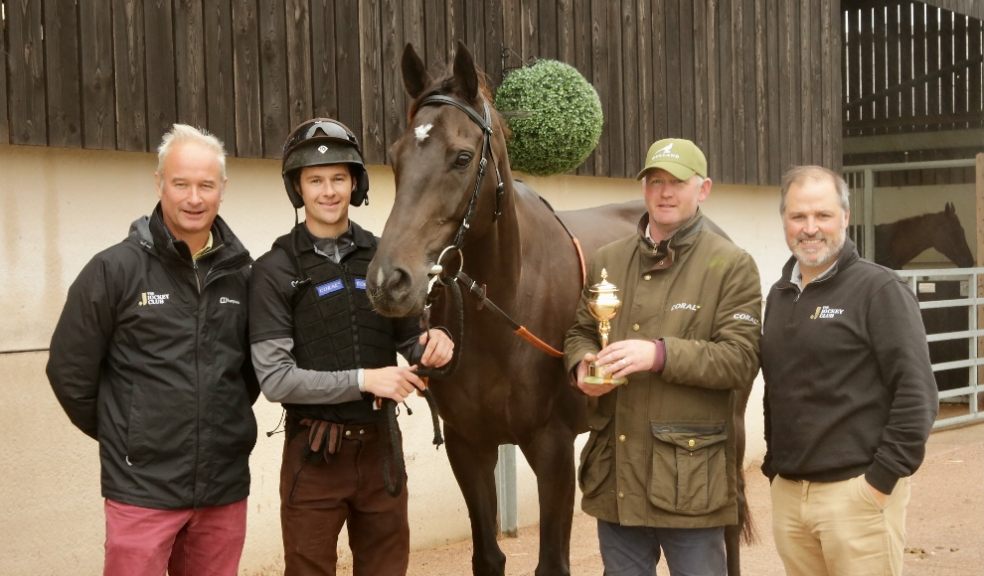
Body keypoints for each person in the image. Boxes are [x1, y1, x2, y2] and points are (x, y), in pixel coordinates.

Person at [46, 124, 259, 576]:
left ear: (223, 189)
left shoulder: (243, 274)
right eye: (181, 183)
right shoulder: (113, 270)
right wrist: (130, 434)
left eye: (206, 185)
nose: (194, 197)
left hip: (223, 488)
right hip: (141, 490)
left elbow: (249, 374)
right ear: (159, 182)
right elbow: (69, 371)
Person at [249, 117, 454, 576]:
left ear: (355, 183)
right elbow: (275, 378)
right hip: (315, 456)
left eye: (339, 178)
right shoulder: (274, 270)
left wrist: (434, 342)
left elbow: (408, 340)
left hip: (382, 451)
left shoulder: (383, 256)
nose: (328, 191)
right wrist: (365, 380)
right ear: (297, 189)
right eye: (315, 180)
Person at [564, 138, 762, 576]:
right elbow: (581, 330)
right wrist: (583, 366)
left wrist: (658, 355)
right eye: (656, 182)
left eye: (677, 182)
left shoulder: (731, 265)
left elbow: (740, 359)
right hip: (616, 476)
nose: (665, 192)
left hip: (688, 483)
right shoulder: (608, 261)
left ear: (703, 189)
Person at [760, 165, 938, 576]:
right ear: (784, 220)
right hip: (790, 496)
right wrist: (774, 467)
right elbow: (779, 386)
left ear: (845, 217)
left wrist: (878, 484)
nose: (810, 228)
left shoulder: (879, 290)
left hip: (856, 496)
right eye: (798, 216)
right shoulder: (781, 294)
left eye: (822, 215)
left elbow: (917, 395)